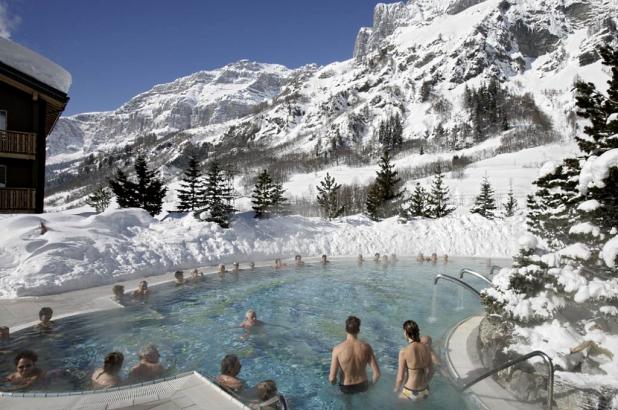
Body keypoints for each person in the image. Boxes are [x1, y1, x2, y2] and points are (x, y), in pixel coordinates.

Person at [329, 316, 380, 394]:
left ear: (346, 329)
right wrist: (371, 385)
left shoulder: (337, 349)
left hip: (345, 387)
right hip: (363, 385)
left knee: (347, 406)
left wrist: (334, 385)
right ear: (358, 330)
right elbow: (377, 374)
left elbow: (332, 378)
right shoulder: (366, 347)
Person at [394, 320, 432, 401]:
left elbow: (400, 377)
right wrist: (426, 381)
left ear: (406, 333)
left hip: (409, 391)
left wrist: (396, 389)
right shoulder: (427, 348)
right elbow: (431, 370)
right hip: (424, 390)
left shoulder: (404, 351)